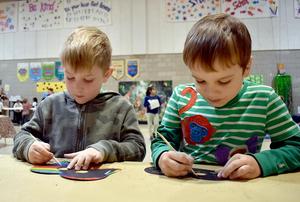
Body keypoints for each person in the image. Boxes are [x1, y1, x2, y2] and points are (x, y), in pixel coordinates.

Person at [151, 14, 300, 180]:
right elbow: (161, 141)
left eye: (224, 81)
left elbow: (296, 147)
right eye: (200, 80)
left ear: (247, 67)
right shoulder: (181, 97)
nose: (211, 92)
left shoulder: (265, 99)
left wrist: (260, 163)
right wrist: (163, 157)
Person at [13, 26, 146, 170]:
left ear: (107, 74)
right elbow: (23, 135)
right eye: (70, 77)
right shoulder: (50, 105)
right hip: (56, 186)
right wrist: (29, 147)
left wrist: (103, 150)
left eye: (88, 79)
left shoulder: (121, 108)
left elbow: (137, 148)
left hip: (104, 188)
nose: (77, 87)